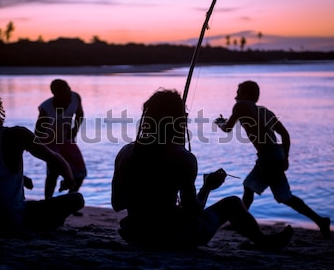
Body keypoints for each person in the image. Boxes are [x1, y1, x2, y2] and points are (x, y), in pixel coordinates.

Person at [111, 89, 293, 250]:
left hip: (135, 236)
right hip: (172, 238)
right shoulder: (184, 158)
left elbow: (117, 203)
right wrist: (207, 188)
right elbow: (192, 213)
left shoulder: (124, 153)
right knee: (232, 204)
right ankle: (262, 241)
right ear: (178, 120)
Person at [0, 84, 84, 231]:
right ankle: (50, 225)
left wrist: (21, 178)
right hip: (14, 219)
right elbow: (56, 159)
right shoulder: (16, 135)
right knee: (76, 199)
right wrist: (69, 179)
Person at [215, 80, 331, 238]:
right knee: (249, 186)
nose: (236, 96)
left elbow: (228, 128)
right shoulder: (264, 111)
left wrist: (220, 122)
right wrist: (285, 158)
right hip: (274, 153)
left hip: (268, 156)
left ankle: (320, 221)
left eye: (238, 92)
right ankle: (239, 221)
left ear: (247, 94)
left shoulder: (241, 106)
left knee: (284, 196)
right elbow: (285, 135)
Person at [35, 79, 87, 201]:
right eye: (65, 94)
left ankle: (69, 200)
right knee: (53, 173)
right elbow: (38, 131)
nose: (69, 96)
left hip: (66, 139)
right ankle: (48, 202)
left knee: (80, 173)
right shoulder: (46, 108)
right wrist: (38, 149)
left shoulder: (75, 97)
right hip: (49, 141)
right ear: (55, 95)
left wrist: (75, 129)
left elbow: (80, 114)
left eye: (69, 91)